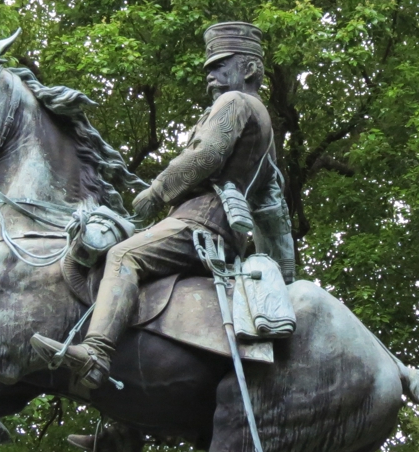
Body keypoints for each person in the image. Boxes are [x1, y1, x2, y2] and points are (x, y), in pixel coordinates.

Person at [31, 22, 294, 400]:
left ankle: (95, 353)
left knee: (122, 256)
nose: (211, 76)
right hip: (223, 237)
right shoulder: (264, 128)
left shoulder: (235, 103)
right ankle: (126, 422)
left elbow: (206, 155)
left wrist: (158, 190)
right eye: (209, 69)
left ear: (250, 69)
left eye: (221, 65)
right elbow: (273, 199)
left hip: (200, 223)